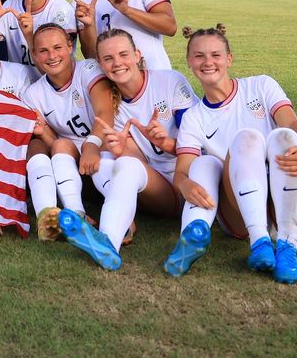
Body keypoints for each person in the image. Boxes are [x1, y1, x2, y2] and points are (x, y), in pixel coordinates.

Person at [164, 24, 297, 283]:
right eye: (199, 56)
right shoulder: (194, 117)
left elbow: (290, 122)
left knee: (286, 137)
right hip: (242, 219)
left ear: (229, 58)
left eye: (216, 55)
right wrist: (185, 184)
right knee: (242, 142)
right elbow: (182, 171)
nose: (208, 62)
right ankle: (259, 241)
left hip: (294, 209)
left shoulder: (261, 85)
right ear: (189, 62)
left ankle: (287, 247)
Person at [58, 28, 195, 270]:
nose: (117, 63)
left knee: (125, 164)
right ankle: (113, 236)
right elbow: (142, 162)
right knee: (109, 157)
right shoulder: (113, 104)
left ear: (137, 54)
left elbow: (197, 147)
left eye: (123, 55)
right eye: (108, 59)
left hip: (185, 185)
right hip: (152, 186)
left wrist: (166, 143)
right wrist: (123, 149)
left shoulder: (170, 81)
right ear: (100, 64)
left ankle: (108, 239)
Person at [19, 24, 112, 241]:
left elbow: (105, 111)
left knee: (64, 145)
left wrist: (93, 144)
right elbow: (53, 142)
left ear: (70, 47)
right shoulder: (33, 94)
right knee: (53, 144)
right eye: (43, 51)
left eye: (57, 47)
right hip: (73, 165)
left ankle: (85, 213)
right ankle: (72, 213)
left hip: (106, 150)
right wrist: (42, 132)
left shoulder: (88, 69)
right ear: (34, 54)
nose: (51, 56)